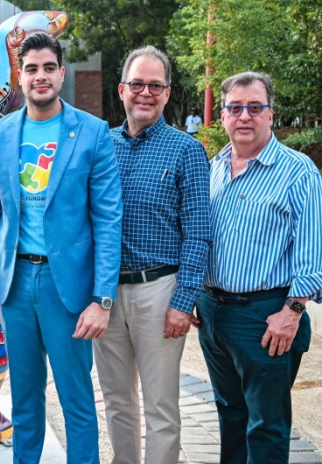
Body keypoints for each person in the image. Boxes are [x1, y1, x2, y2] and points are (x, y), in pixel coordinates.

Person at [0, 33, 123, 464]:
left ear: (61, 73)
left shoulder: (92, 133)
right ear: (20, 76)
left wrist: (102, 299)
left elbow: (108, 221)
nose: (40, 76)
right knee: (24, 399)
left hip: (69, 290)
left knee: (76, 399)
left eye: (48, 68)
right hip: (16, 285)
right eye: (31, 68)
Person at [94, 46, 211, 464]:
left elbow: (199, 233)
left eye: (155, 85)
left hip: (160, 290)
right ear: (122, 90)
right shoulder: (100, 146)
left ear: (166, 93)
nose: (146, 92)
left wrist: (184, 301)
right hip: (105, 293)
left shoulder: (186, 150)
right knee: (116, 400)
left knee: (161, 405)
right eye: (138, 84)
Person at [199, 71, 322, 463]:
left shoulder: (298, 171)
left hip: (267, 317)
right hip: (214, 314)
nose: (245, 116)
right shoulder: (214, 167)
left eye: (255, 107)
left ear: (270, 114)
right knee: (230, 414)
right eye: (235, 108)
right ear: (223, 116)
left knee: (266, 425)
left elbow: (312, 253)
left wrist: (293, 312)